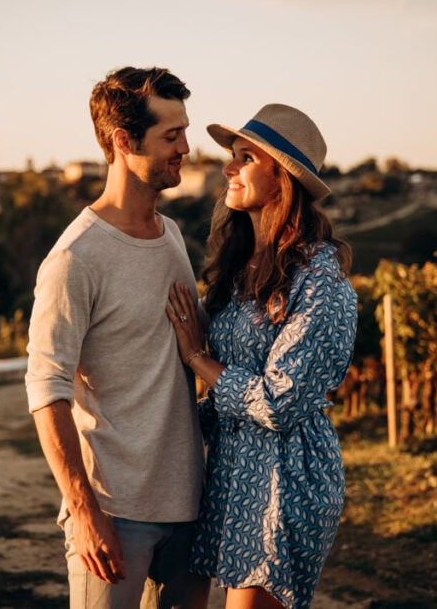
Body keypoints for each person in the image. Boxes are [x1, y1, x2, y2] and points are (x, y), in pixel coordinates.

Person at [26, 66, 209, 609]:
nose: (186, 148)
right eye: (170, 136)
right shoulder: (74, 259)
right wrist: (83, 510)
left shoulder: (173, 235)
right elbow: (46, 389)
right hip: (115, 513)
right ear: (123, 141)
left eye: (184, 131)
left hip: (191, 509)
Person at [166, 104, 358, 609]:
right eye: (232, 155)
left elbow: (278, 401)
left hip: (286, 479)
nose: (228, 168)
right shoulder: (241, 265)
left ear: (284, 178)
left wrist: (196, 359)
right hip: (234, 477)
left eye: (245, 157)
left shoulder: (320, 277)